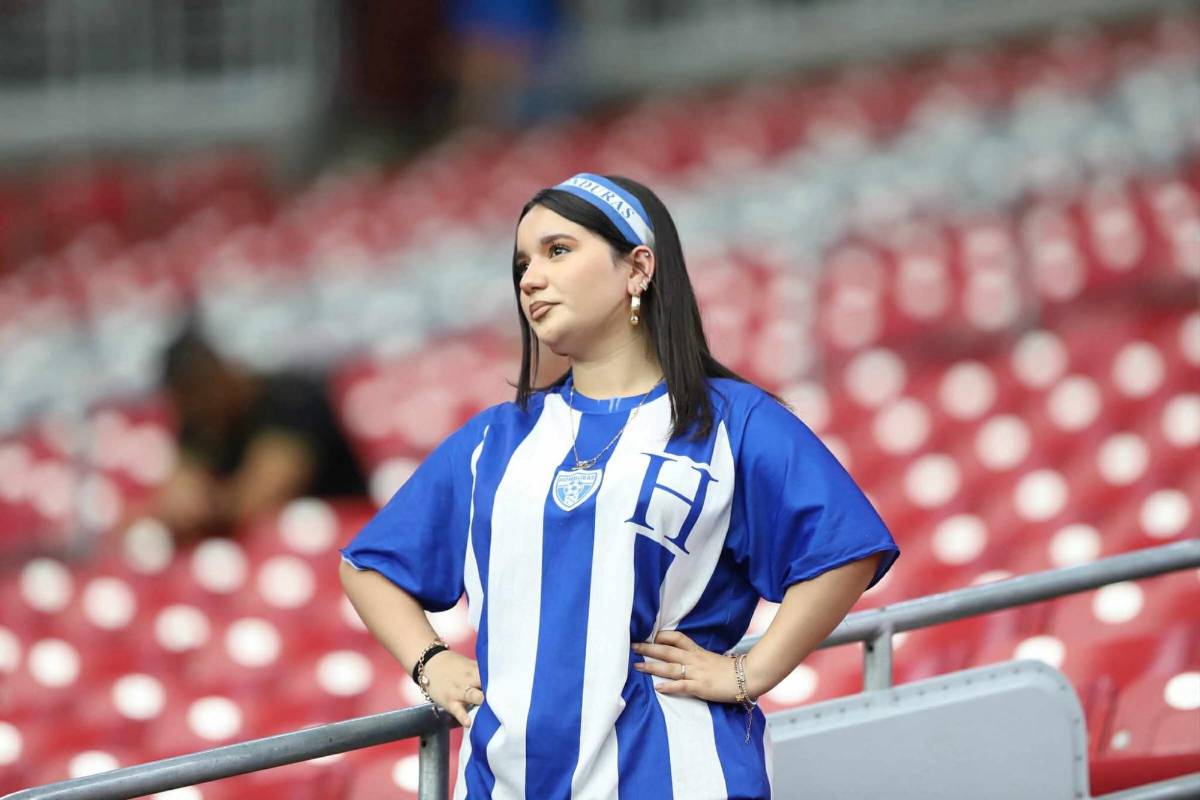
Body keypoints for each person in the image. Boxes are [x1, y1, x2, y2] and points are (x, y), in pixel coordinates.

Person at [339, 173, 901, 799]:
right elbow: (368, 568)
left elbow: (846, 547)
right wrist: (431, 662)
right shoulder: (493, 440)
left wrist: (752, 670)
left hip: (679, 777)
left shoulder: (731, 421)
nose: (529, 278)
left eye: (558, 251)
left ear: (637, 268)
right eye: (522, 263)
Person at [146, 325, 367, 541]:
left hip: (341, 537)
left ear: (222, 374)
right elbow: (180, 495)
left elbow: (258, 499)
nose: (200, 407)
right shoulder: (202, 422)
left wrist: (205, 508)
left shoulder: (290, 399)